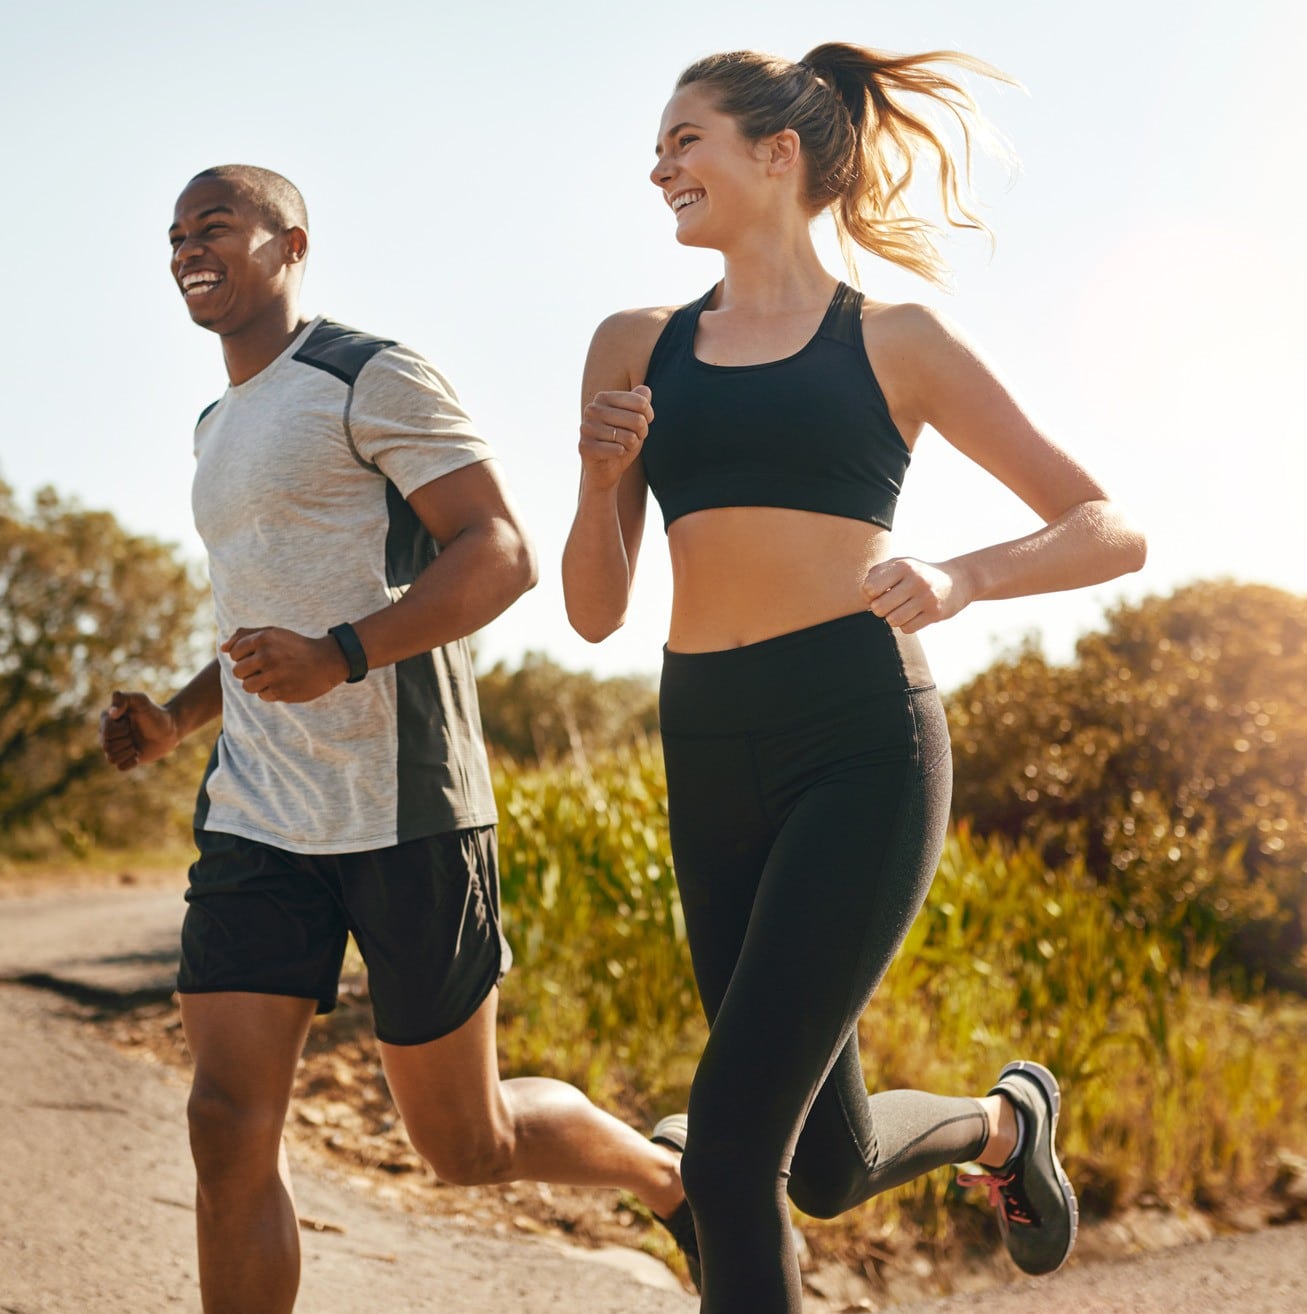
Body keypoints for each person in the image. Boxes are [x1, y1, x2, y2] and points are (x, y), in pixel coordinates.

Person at [562, 43, 1147, 1314]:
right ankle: (1005, 1125)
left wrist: (961, 578)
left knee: (723, 1152)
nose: (658, 165)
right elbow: (596, 611)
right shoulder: (632, 342)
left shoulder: (894, 340)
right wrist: (601, 481)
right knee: (820, 1166)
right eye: (658, 145)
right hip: (705, 741)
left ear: (776, 155)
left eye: (684, 139)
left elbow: (1105, 526)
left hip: (857, 738)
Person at [99, 164, 693, 1314]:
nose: (186, 249)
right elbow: (250, 620)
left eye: (214, 226)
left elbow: (499, 552)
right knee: (225, 1127)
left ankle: (671, 1182)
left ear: (290, 242)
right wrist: (176, 718)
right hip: (258, 811)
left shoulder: (368, 373)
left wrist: (343, 653)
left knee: (462, 1146)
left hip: (406, 805)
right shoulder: (215, 423)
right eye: (173, 236)